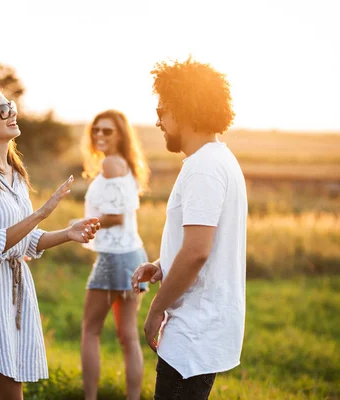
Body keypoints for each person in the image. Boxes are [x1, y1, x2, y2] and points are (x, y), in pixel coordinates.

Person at [0, 86, 100, 400]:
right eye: (1, 110)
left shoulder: (16, 175)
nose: (11, 113)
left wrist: (67, 233)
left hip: (15, 292)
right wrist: (40, 213)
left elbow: (24, 241)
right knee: (3, 388)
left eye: (10, 106)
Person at [132, 57, 247, 400]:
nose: (158, 121)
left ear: (183, 110)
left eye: (163, 110)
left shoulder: (204, 168)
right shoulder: (218, 159)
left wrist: (156, 311)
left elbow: (197, 251)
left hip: (192, 333)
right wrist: (162, 265)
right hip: (200, 328)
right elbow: (197, 245)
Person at [79, 109, 151, 400]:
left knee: (90, 331)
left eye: (107, 131)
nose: (99, 135)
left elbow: (116, 217)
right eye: (96, 130)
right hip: (134, 254)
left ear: (120, 133)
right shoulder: (128, 165)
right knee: (128, 337)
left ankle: (90, 398)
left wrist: (78, 225)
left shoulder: (110, 163)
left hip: (113, 257)